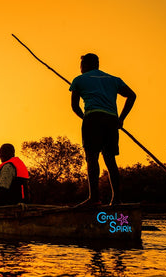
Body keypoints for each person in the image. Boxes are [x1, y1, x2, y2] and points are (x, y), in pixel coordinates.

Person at [70, 53, 136, 206]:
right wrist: (121, 118)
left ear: (84, 65)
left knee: (92, 158)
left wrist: (85, 117)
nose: (80, 68)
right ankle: (116, 199)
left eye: (81, 65)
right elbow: (132, 95)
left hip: (92, 119)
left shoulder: (79, 80)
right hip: (111, 120)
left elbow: (74, 107)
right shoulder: (113, 80)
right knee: (110, 159)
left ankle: (94, 198)